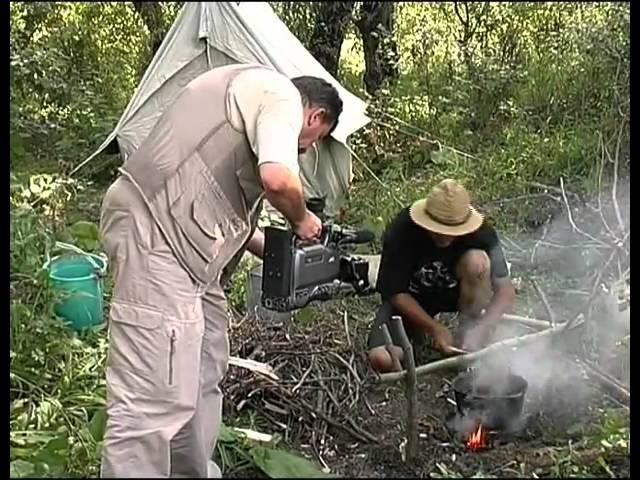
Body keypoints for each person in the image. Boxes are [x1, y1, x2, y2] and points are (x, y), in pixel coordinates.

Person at [99, 63, 343, 477]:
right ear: (316, 117)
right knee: (150, 400)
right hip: (157, 239)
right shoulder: (280, 95)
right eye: (312, 142)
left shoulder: (250, 108)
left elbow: (222, 209)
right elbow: (278, 181)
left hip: (188, 258)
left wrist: (287, 253)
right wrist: (303, 220)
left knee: (203, 369)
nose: (306, 149)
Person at [367, 179, 516, 372]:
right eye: (437, 229)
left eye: (451, 231)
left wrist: (484, 327)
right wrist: (434, 327)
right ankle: (417, 331)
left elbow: (505, 290)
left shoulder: (481, 233)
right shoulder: (403, 229)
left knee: (477, 261)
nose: (444, 236)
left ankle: (467, 331)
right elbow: (395, 293)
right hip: (413, 298)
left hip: (458, 294)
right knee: (382, 359)